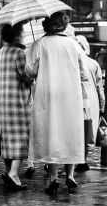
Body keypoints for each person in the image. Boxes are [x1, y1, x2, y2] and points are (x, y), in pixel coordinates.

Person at [26, 12, 90, 195]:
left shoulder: (40, 44)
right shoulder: (74, 45)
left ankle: (53, 178)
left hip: (48, 94)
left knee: (51, 133)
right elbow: (84, 74)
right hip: (70, 95)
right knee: (69, 133)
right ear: (64, 25)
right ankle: (70, 175)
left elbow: (31, 71)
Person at [0, 23, 33, 190]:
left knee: (7, 138)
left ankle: (7, 170)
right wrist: (35, 69)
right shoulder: (19, 53)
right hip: (17, 103)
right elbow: (26, 77)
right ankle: (14, 174)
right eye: (22, 33)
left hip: (3, 104)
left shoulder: (0, 52)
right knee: (20, 139)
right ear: (17, 35)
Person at [75, 35, 105, 172]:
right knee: (88, 132)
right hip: (91, 101)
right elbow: (100, 88)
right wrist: (102, 106)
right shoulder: (94, 64)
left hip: (74, 100)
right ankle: (83, 160)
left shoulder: (71, 62)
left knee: (74, 130)